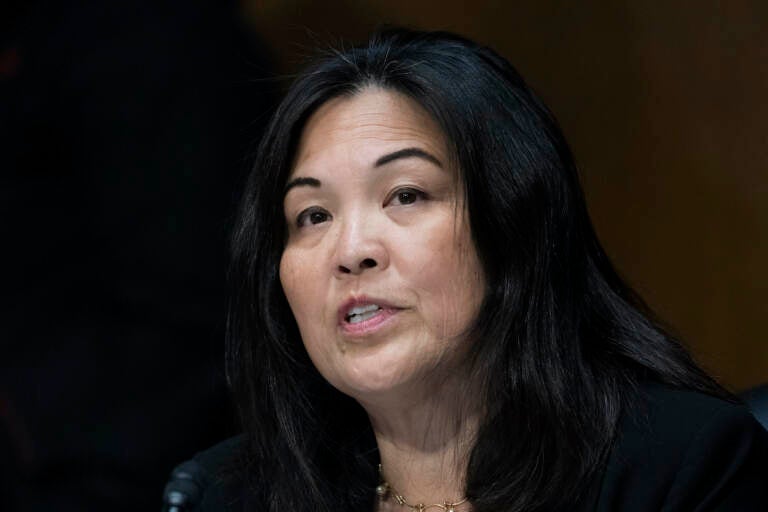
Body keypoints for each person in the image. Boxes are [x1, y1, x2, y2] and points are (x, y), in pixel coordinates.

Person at [163, 28, 768, 511]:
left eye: (405, 195)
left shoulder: (685, 468)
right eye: (313, 215)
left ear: (511, 225)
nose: (351, 250)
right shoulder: (226, 494)